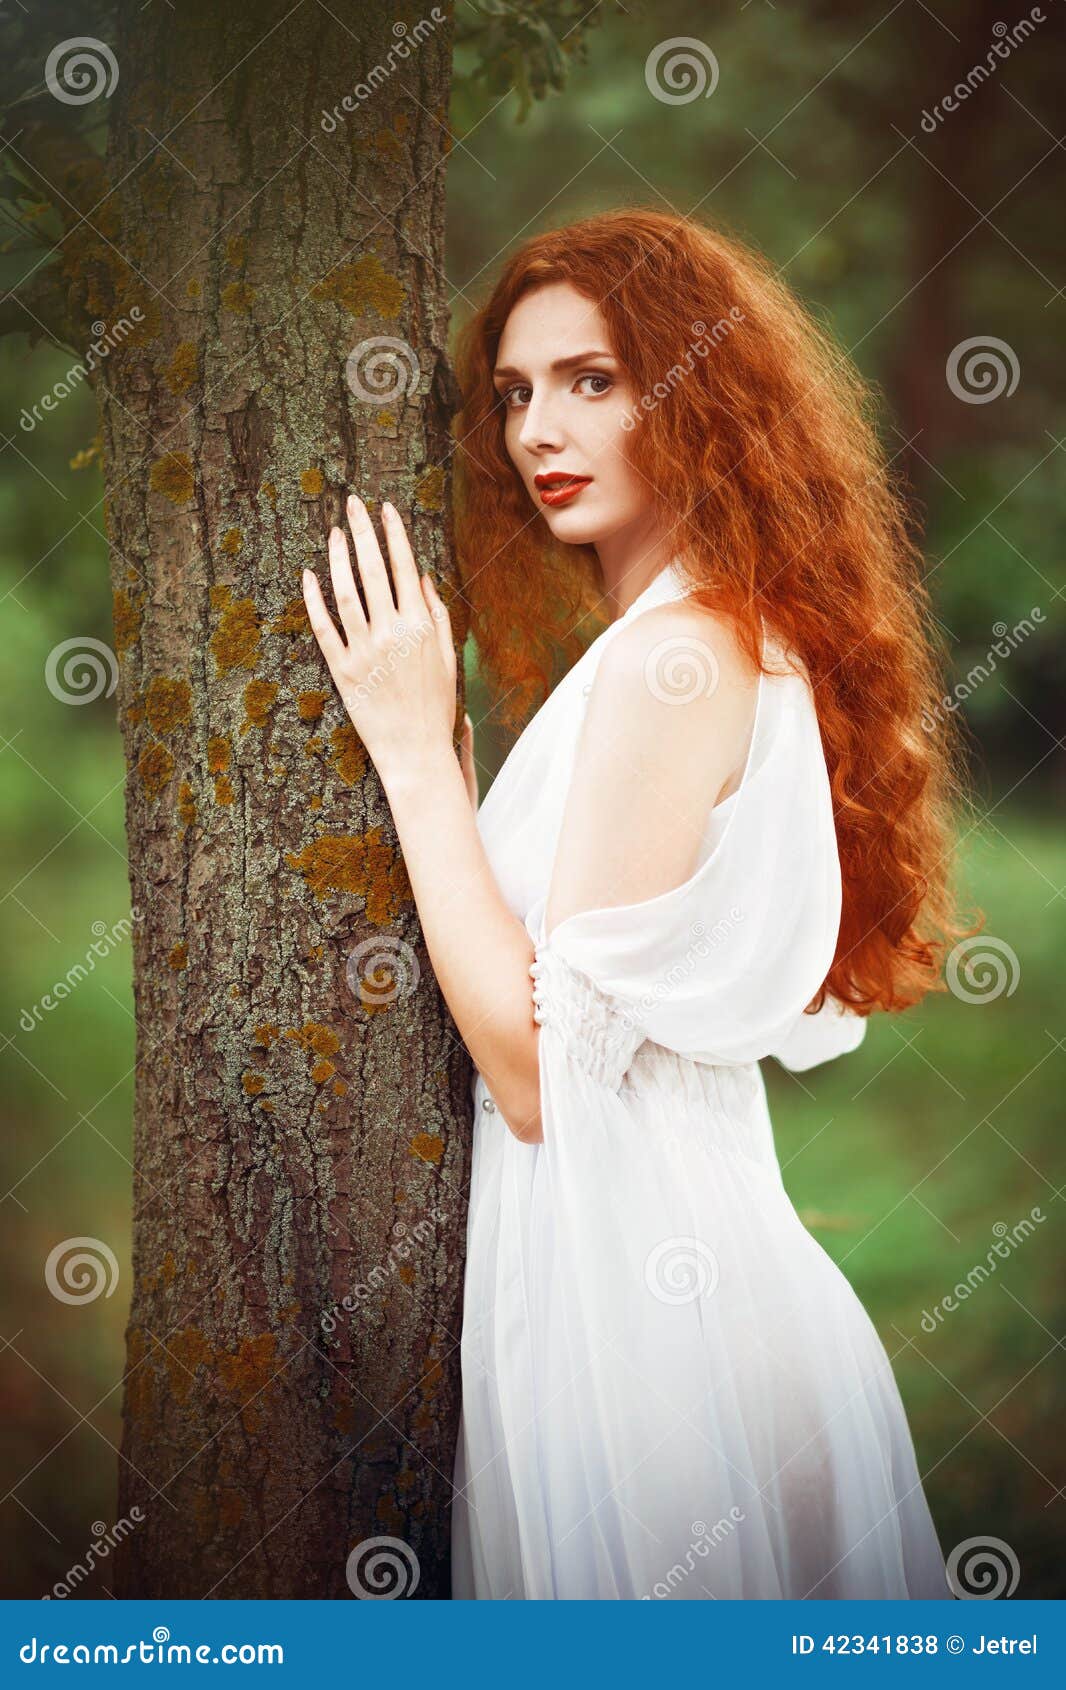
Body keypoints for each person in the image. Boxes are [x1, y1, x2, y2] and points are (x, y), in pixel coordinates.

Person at [302, 207, 975, 1600]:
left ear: (696, 394)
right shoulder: (703, 636)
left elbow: (547, 1073)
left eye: (591, 381)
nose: (535, 429)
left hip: (643, 1334)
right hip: (646, 1284)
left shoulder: (674, 654)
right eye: (512, 393)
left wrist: (416, 759)